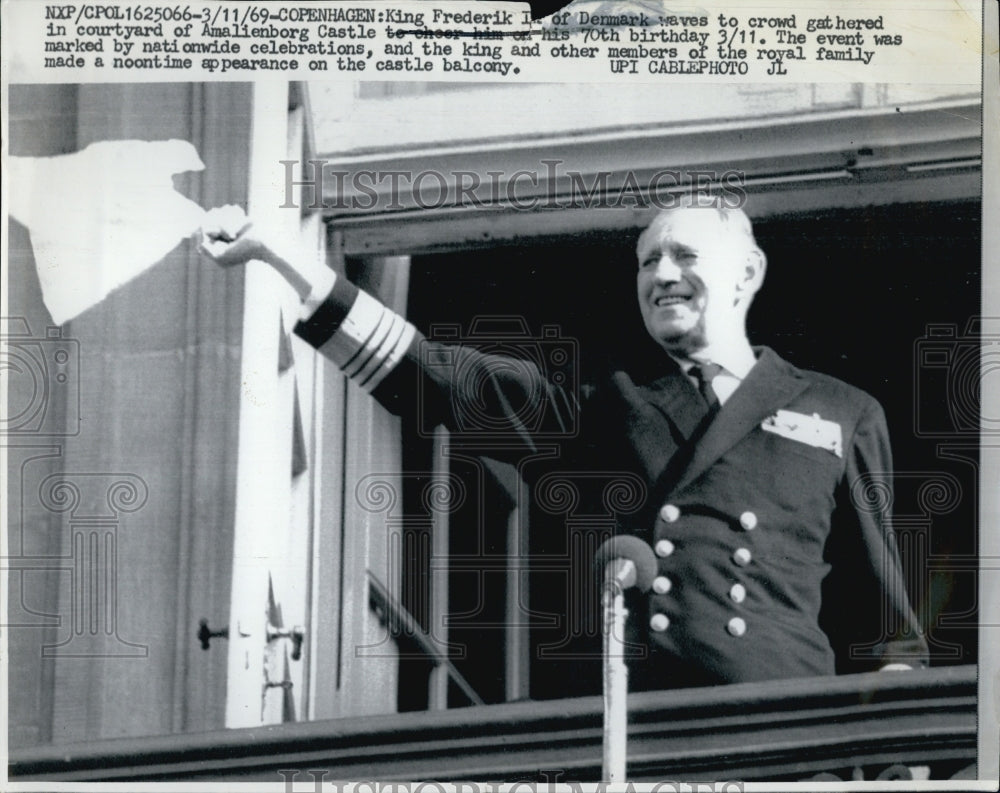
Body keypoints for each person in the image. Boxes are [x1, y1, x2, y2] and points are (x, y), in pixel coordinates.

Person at [200, 202, 929, 689]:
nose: (662, 275)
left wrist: (890, 764)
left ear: (748, 272)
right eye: (647, 262)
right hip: (639, 738)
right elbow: (440, 378)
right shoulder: (609, 404)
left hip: (785, 739)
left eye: (682, 254)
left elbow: (888, 626)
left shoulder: (839, 410)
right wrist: (288, 264)